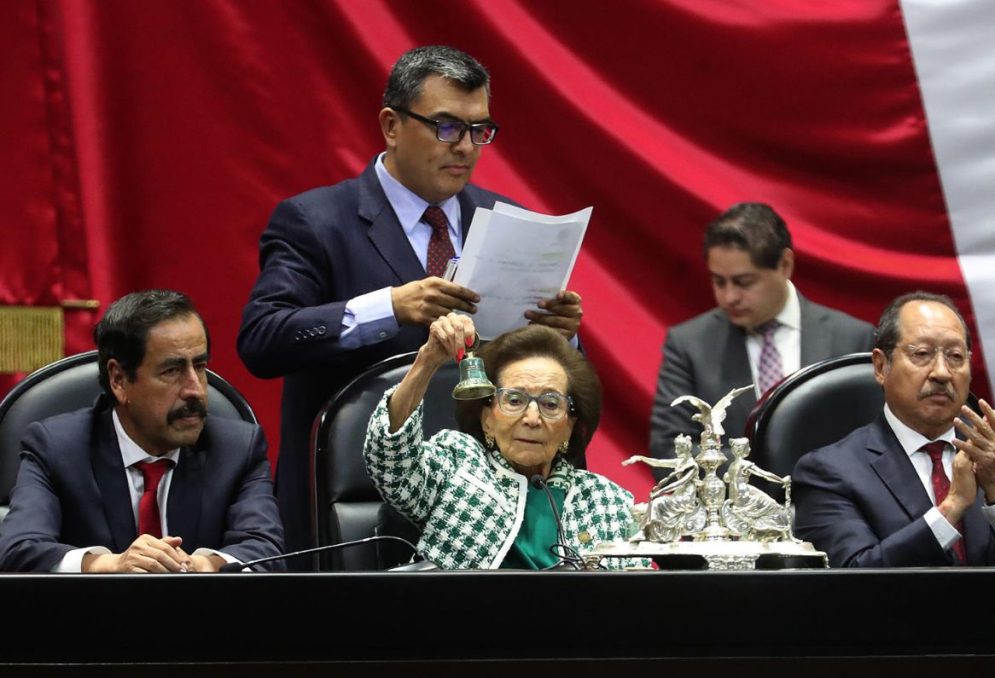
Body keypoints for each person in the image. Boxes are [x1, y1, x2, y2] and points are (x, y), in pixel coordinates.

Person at [238, 45, 584, 558]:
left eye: (479, 130)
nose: (465, 146)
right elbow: (262, 339)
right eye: (446, 126)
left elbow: (544, 371)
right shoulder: (316, 221)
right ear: (391, 124)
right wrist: (389, 307)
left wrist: (562, 335)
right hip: (356, 504)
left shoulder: (507, 218)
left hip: (487, 515)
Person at [0, 290, 284, 573]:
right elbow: (18, 549)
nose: (195, 389)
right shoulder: (56, 448)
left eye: (199, 366)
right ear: (119, 380)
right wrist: (109, 564)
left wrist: (197, 565)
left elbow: (267, 552)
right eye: (172, 371)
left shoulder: (237, 448)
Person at [364, 313, 644, 570]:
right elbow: (391, 463)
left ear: (570, 425)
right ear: (487, 418)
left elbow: (639, 595)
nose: (532, 418)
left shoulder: (607, 501)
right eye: (514, 400)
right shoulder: (458, 464)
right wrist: (428, 361)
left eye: (550, 403)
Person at [793, 292, 995, 567]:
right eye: (922, 354)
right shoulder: (829, 473)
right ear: (881, 366)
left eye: (955, 356)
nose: (942, 372)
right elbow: (852, 581)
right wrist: (950, 509)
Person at [649, 202, 874, 470]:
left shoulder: (853, 339)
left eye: (744, 282)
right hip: (730, 507)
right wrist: (758, 477)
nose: (729, 297)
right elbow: (669, 447)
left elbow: (875, 442)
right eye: (719, 281)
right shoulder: (689, 345)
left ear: (785, 265)